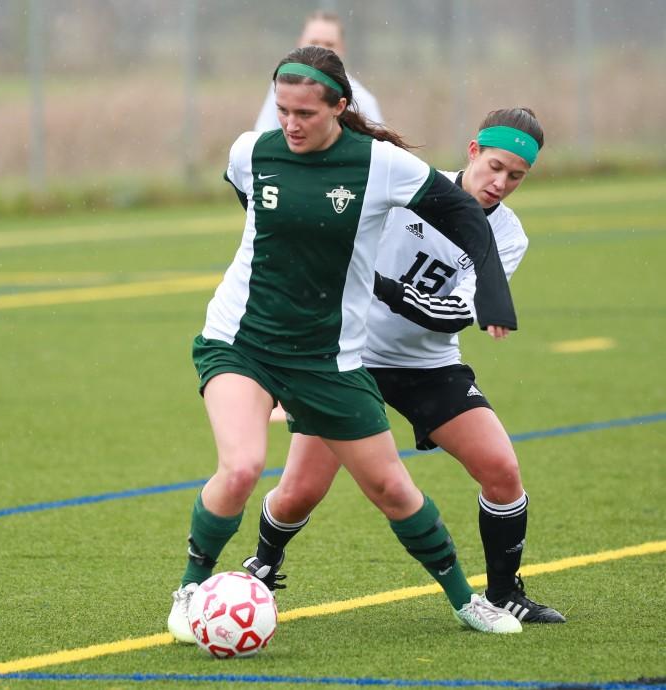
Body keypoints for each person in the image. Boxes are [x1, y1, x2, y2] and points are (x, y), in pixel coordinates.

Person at [168, 45, 525, 643]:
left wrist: (492, 294)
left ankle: (468, 601)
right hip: (239, 339)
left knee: (391, 488)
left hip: (327, 357)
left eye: (305, 112)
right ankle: (189, 588)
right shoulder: (249, 152)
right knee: (242, 468)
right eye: (282, 110)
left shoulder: (381, 165)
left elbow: (463, 214)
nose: (290, 123)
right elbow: (253, 203)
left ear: (339, 106)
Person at [244, 108, 566, 624]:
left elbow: (454, 315)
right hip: (349, 358)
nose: (500, 184)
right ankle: (261, 567)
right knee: (300, 491)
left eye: (516, 177)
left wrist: (380, 285)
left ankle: (505, 593)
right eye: (495, 167)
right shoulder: (414, 188)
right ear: (473, 150)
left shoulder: (507, 235)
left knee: (502, 469)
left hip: (428, 366)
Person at [255, 11, 383, 131]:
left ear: (343, 48)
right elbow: (262, 134)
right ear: (300, 43)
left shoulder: (363, 101)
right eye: (314, 42)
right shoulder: (283, 87)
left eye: (329, 44)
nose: (321, 50)